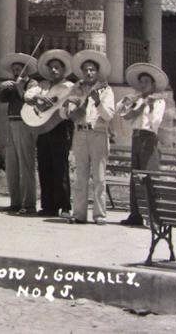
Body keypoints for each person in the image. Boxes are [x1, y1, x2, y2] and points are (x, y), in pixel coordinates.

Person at [62, 51, 115, 225]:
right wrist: (76, 106)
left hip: (98, 133)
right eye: (86, 70)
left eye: (92, 70)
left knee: (99, 176)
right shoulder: (76, 89)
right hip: (80, 132)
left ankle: (100, 214)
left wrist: (97, 101)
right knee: (80, 175)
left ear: (97, 72)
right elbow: (67, 114)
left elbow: (108, 115)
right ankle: (79, 214)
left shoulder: (106, 90)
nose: (89, 73)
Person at [24, 49, 75, 218]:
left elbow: (69, 107)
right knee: (44, 165)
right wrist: (38, 99)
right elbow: (28, 96)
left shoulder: (69, 87)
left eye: (57, 67)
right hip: (43, 127)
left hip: (60, 127)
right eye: (51, 68)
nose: (54, 70)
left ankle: (65, 206)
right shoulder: (43, 85)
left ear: (63, 69)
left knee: (60, 166)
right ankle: (48, 206)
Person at [118, 62, 168, 226]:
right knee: (135, 176)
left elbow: (155, 123)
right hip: (136, 137)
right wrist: (131, 103)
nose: (143, 85)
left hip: (149, 138)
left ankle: (153, 215)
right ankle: (135, 214)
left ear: (153, 84)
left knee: (149, 176)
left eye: (147, 81)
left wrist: (149, 105)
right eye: (142, 81)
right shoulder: (137, 99)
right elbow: (123, 114)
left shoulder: (158, 101)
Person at [0, 53, 38, 215]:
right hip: (11, 122)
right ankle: (15, 201)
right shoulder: (13, 84)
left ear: (26, 70)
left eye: (19, 69)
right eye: (14, 70)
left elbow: (29, 100)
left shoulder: (32, 83)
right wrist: (3, 88)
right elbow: (1, 99)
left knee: (26, 164)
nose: (16, 72)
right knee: (12, 164)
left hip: (25, 123)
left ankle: (29, 203)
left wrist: (20, 87)